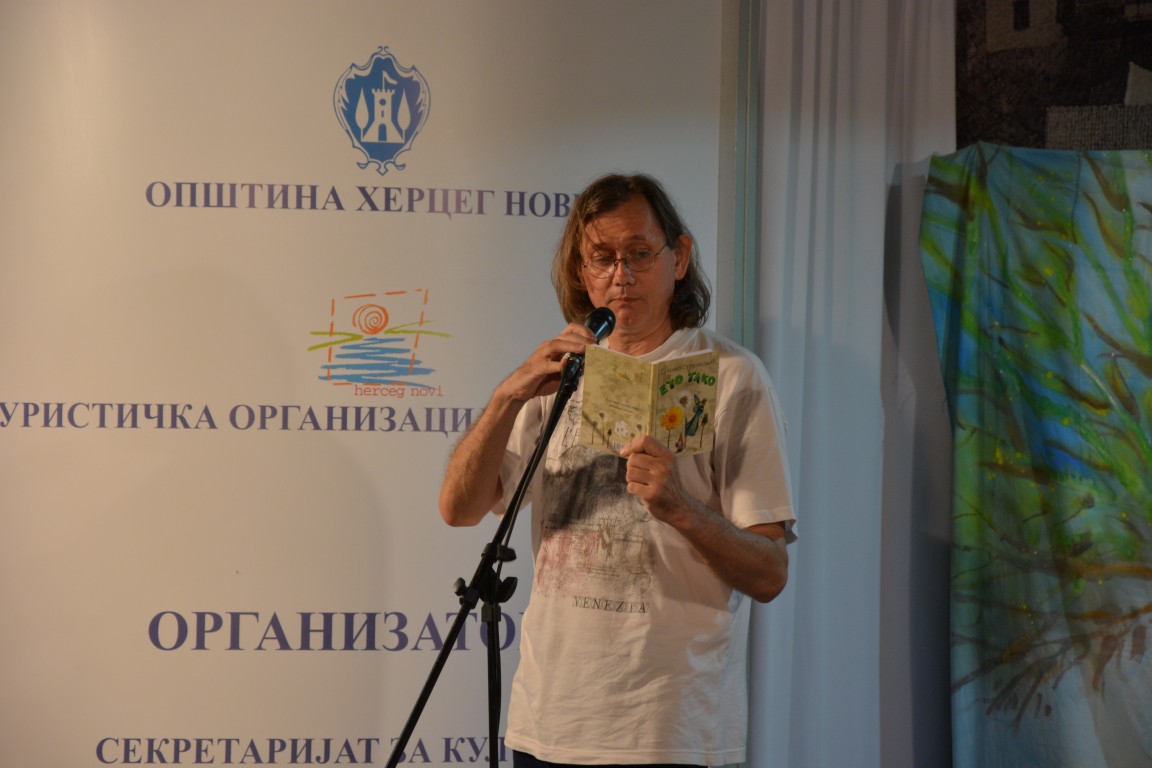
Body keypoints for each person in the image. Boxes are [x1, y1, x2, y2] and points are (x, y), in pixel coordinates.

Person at [439, 172, 795, 767]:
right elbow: (459, 509)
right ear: (582, 272)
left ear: (678, 257)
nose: (621, 276)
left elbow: (770, 573)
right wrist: (508, 396)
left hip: (672, 731)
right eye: (602, 258)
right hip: (549, 725)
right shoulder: (560, 374)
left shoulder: (734, 377)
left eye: (639, 253)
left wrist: (680, 509)